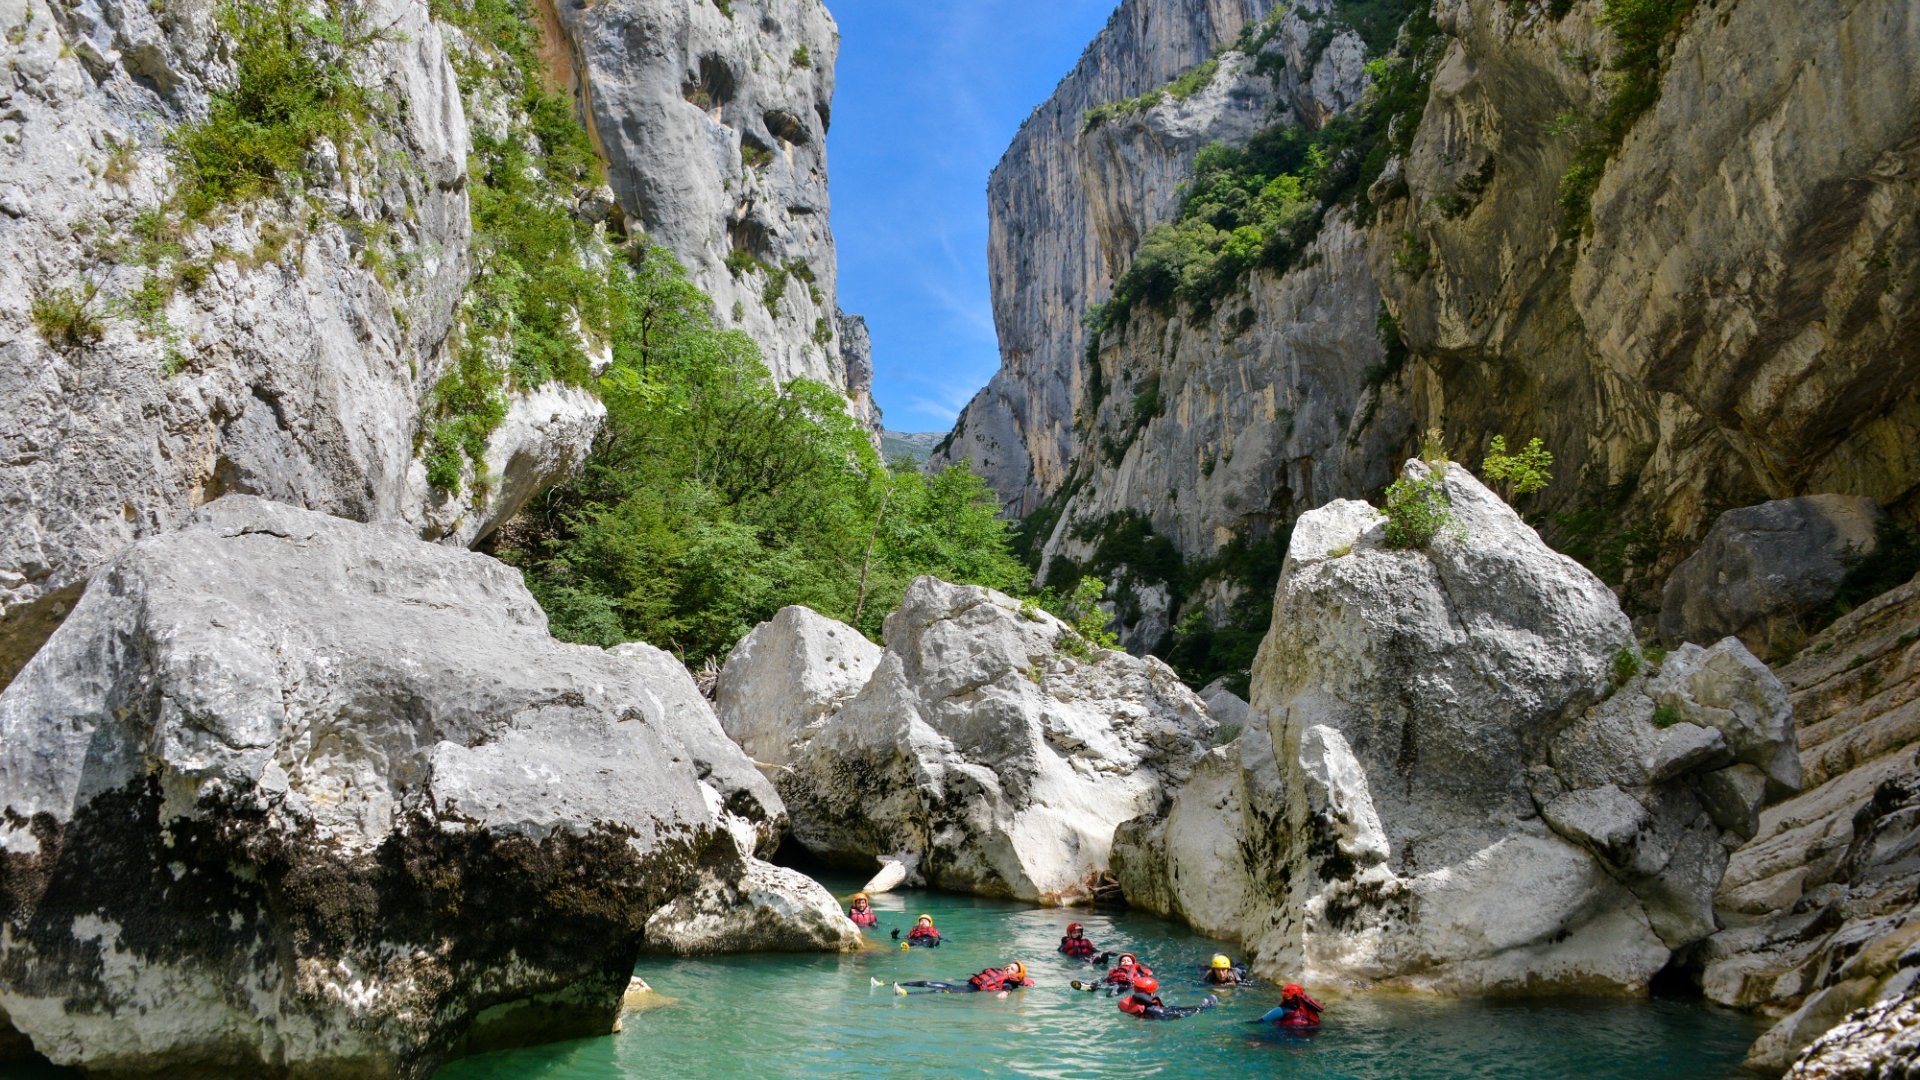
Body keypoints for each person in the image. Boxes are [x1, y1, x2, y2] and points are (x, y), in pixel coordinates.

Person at [896, 961, 1033, 995]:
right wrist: (956, 980)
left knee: (940, 991)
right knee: (927, 982)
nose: (1008, 968)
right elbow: (979, 978)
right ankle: (898, 984)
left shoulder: (1009, 982)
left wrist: (1004, 993)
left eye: (1012, 969)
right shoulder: (998, 972)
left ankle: (906, 993)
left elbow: (1008, 988)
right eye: (1009, 966)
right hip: (968, 985)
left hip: (972, 991)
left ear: (1017, 975)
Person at [1117, 978, 1217, 1020]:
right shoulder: (1153, 1009)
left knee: (1173, 1008)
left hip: (1149, 1015)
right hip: (1157, 1015)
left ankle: (1201, 1006)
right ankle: (1205, 1007)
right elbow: (1178, 1015)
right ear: (1152, 992)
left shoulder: (1129, 1001)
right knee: (1180, 1012)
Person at [1257, 983, 1325, 1028]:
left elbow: (1260, 1021)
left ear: (1284, 996)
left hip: (1291, 1034)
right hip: (1311, 1033)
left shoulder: (1281, 1010)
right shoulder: (1310, 1008)